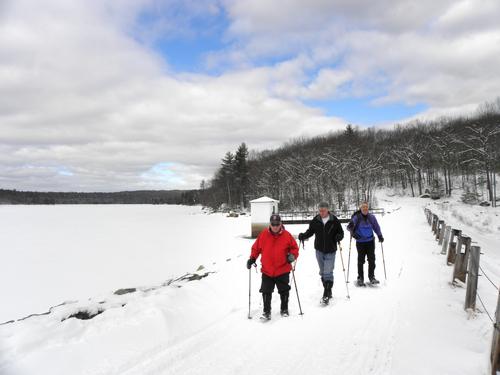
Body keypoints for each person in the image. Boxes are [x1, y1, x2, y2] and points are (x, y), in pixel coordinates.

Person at [247, 214, 299, 320]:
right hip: (267, 270)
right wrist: (252, 258)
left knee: (284, 290)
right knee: (266, 291)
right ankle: (266, 312)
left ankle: (284, 309)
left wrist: (292, 256)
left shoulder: (287, 235)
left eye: (277, 224)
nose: (275, 226)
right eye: (273, 224)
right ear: (270, 224)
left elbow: (295, 248)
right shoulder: (263, 235)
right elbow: (256, 248)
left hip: (282, 269)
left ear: (280, 224)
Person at [298, 202, 344, 304]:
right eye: (320, 210)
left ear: (328, 209)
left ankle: (326, 294)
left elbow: (341, 232)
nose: (322, 212)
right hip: (319, 250)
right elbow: (310, 232)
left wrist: (339, 237)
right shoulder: (316, 220)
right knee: (323, 272)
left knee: (328, 272)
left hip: (331, 250)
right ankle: (329, 290)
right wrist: (303, 235)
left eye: (323, 210)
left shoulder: (334, 220)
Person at [347, 202, 384, 287]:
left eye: (366, 207)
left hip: (370, 241)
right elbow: (349, 227)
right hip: (360, 242)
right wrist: (353, 234)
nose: (365, 209)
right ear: (361, 208)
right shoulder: (357, 217)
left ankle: (372, 277)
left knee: (372, 259)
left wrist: (380, 235)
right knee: (361, 260)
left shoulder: (372, 217)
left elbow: (376, 227)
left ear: (368, 208)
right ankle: (360, 278)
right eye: (363, 207)